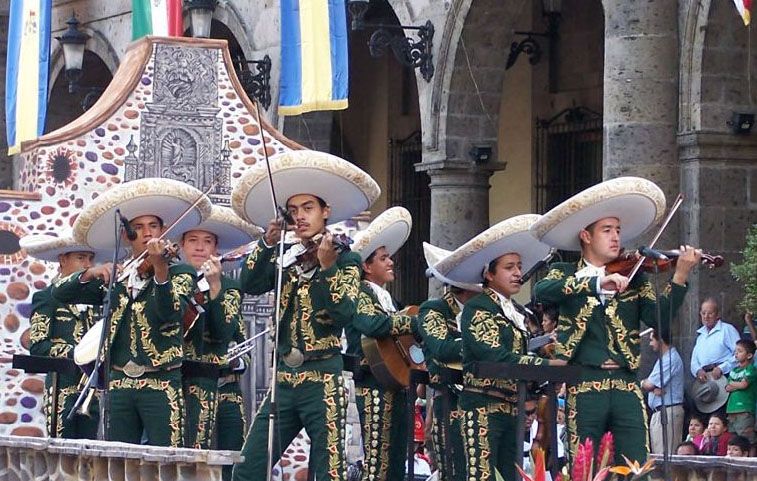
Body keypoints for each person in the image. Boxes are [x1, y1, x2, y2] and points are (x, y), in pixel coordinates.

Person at [230, 150, 380, 481]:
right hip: (284, 377)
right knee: (249, 467)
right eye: (294, 210)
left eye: (308, 208)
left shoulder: (345, 258)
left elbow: (344, 312)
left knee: (328, 472)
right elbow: (250, 284)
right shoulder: (285, 255)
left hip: (322, 377)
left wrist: (326, 267)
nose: (300, 216)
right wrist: (267, 242)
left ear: (326, 212)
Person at [531, 177, 701, 464]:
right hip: (585, 382)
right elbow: (542, 290)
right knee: (584, 466)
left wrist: (680, 276)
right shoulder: (565, 271)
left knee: (636, 464)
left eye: (618, 231)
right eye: (607, 230)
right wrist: (597, 281)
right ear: (586, 236)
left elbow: (657, 317)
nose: (615, 238)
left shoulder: (635, 276)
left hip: (626, 383)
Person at [51, 178, 212, 446]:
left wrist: (160, 269)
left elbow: (169, 313)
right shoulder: (118, 274)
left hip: (161, 381)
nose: (147, 233)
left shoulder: (181, 272)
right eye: (138, 227)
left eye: (153, 226)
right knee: (118, 460)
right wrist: (91, 272)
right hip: (119, 382)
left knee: (166, 459)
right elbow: (59, 294)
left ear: (163, 231)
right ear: (128, 236)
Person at [432, 214, 565, 481]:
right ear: (488, 274)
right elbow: (494, 355)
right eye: (509, 267)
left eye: (519, 266)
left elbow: (528, 350)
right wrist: (546, 365)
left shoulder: (517, 312)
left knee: (510, 476)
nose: (517, 273)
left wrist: (555, 351)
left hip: (513, 407)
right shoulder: (478, 308)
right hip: (482, 407)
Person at [176, 206, 257, 451]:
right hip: (183, 386)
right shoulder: (173, 285)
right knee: (187, 456)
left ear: (216, 248)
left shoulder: (229, 286)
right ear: (181, 246)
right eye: (193, 240)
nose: (200, 247)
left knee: (232, 453)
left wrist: (214, 287)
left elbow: (227, 333)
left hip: (225, 387)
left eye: (207, 241)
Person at [346, 206, 417, 481]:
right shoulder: (360, 292)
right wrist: (413, 322)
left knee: (396, 458)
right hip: (372, 384)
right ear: (366, 266)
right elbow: (371, 325)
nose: (391, 262)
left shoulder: (388, 299)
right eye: (383, 258)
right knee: (377, 459)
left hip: (394, 382)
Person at [23, 233, 111, 439]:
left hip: (93, 387)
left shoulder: (98, 297)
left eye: (90, 259)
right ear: (62, 260)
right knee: (61, 448)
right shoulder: (47, 297)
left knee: (92, 449)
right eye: (81, 258)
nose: (88, 264)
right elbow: (38, 346)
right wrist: (79, 354)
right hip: (61, 386)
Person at [416, 241, 481, 481]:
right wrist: (484, 347)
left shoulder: (490, 312)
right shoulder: (434, 309)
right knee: (454, 469)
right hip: (451, 399)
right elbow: (442, 348)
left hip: (485, 396)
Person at [641, 328, 685, 454]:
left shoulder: (670, 359)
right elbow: (652, 385)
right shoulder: (663, 358)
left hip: (668, 412)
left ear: (660, 340)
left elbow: (649, 384)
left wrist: (643, 383)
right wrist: (651, 387)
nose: (650, 344)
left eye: (652, 340)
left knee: (666, 454)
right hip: (659, 412)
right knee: (658, 455)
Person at [690, 298, 740, 382]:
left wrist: (722, 368)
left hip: (725, 376)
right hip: (705, 379)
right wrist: (698, 371)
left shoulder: (727, 329)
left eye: (710, 313)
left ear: (717, 315)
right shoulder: (700, 337)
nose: (706, 317)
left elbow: (740, 354)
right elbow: (694, 361)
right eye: (703, 313)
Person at [724, 339, 757, 444]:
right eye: (735, 351)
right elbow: (727, 387)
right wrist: (739, 384)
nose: (736, 353)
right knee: (734, 440)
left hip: (745, 408)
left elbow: (744, 385)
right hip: (731, 409)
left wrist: (734, 383)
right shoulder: (734, 370)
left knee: (748, 440)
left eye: (740, 351)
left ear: (749, 355)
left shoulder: (751, 369)